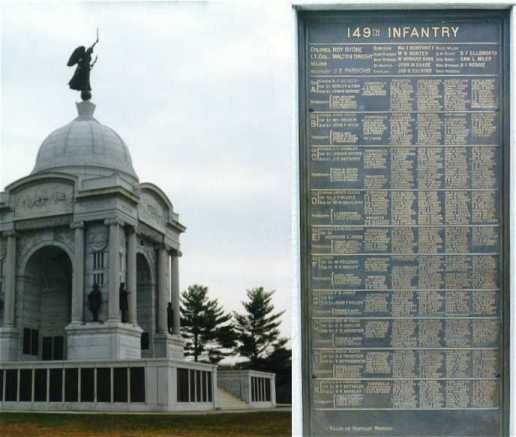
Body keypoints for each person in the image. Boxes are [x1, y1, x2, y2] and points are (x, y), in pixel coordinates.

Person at [67, 31, 99, 101]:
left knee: (86, 82)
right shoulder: (85, 55)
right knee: (84, 82)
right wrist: (95, 42)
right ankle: (84, 91)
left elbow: (88, 65)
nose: (92, 51)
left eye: (91, 51)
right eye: (91, 51)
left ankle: (84, 91)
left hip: (86, 70)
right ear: (89, 50)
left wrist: (94, 62)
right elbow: (82, 62)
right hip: (83, 70)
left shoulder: (88, 56)